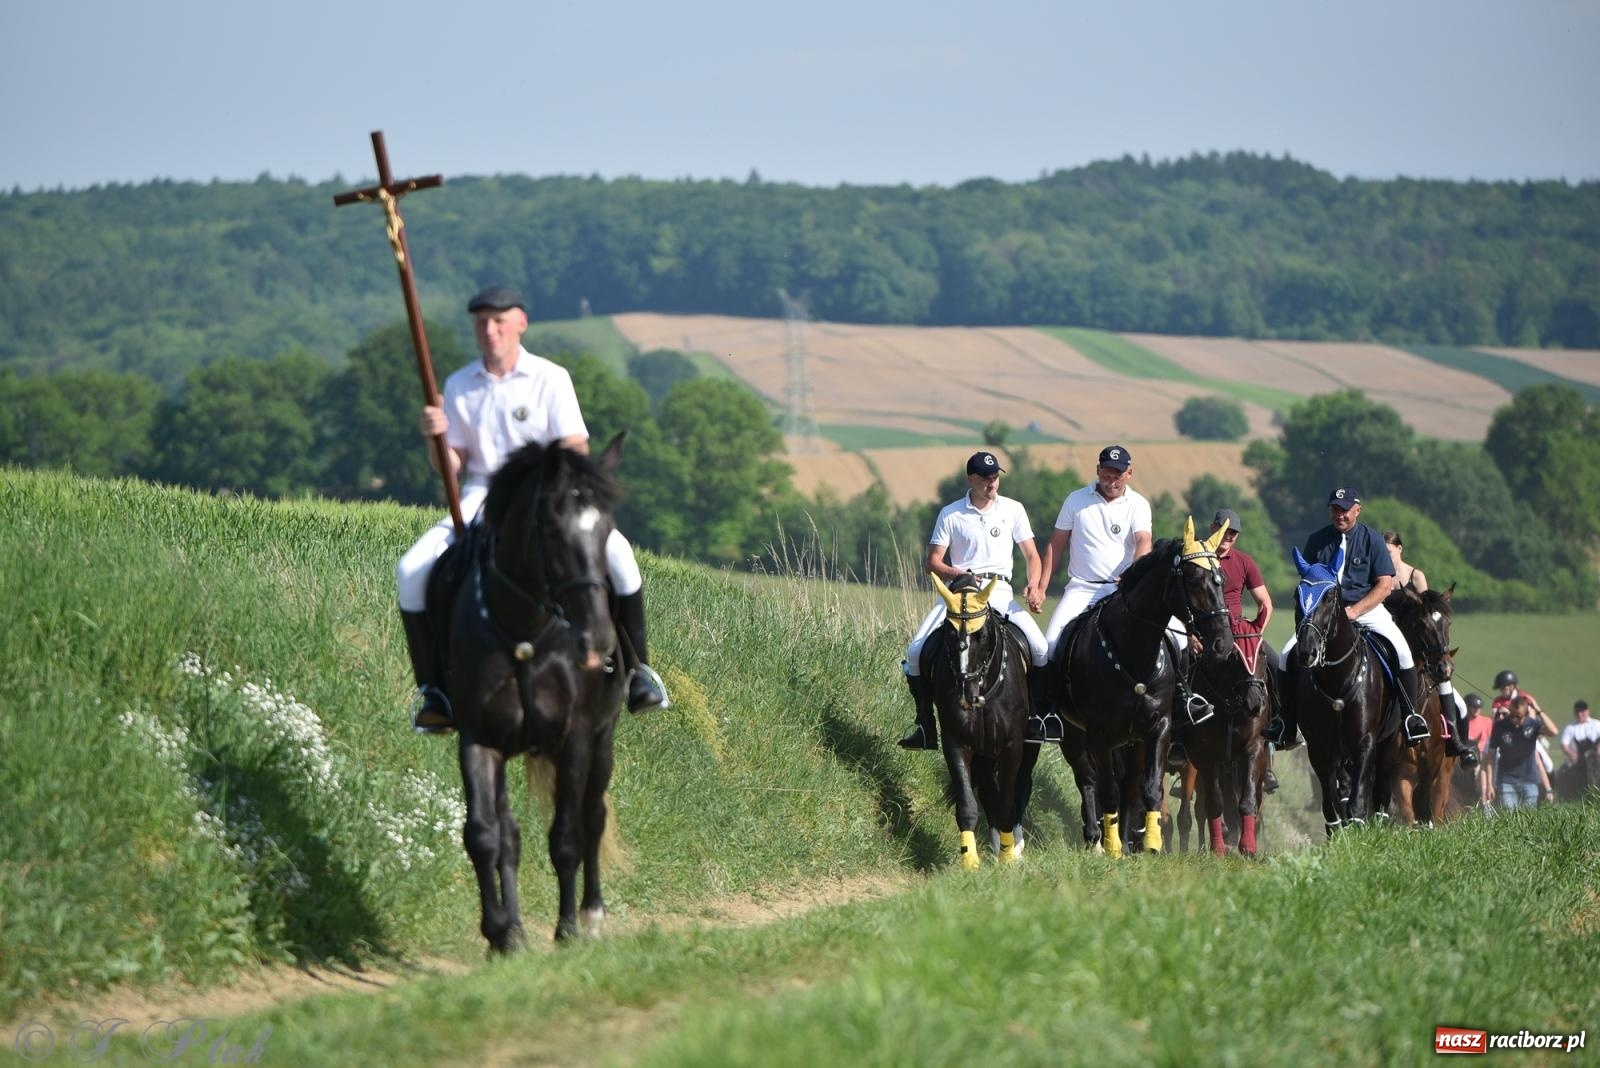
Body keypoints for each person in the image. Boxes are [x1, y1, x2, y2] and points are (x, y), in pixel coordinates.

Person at [395, 285, 670, 733]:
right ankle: (435, 690)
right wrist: (436, 437)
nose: (490, 330)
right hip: (483, 494)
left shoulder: (550, 378)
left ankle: (639, 671)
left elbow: (575, 445)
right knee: (411, 569)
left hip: (547, 494)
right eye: (482, 322)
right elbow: (452, 466)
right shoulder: (460, 383)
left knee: (619, 556)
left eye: (499, 321)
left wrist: (554, 487)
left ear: (520, 323)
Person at [897, 450, 1048, 750]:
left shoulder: (1013, 509)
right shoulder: (951, 513)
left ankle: (1040, 718)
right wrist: (959, 573)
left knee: (1041, 648)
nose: (992, 484)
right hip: (960, 593)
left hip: (999, 591)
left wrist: (1034, 584)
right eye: (985, 479)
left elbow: (1032, 555)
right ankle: (926, 725)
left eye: (995, 478)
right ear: (970, 479)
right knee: (915, 651)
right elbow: (933, 561)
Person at [1270, 487, 1427, 750]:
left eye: (1344, 509)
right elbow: (1308, 582)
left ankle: (1411, 717)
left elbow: (1384, 586)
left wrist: (1353, 612)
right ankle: (1285, 722)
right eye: (1335, 509)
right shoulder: (1317, 540)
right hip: (1324, 615)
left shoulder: (1373, 540)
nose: (1339, 514)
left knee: (1403, 653)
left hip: (1366, 610)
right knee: (1287, 655)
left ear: (1357, 509)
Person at [1032, 444, 1154, 743]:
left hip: (1122, 590)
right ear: (1098, 470)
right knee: (1050, 645)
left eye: (1118, 474)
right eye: (1107, 472)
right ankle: (1047, 714)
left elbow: (1143, 542)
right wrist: (1041, 586)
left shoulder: (1138, 504)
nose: (1112, 479)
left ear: (1129, 473)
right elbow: (1057, 544)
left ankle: (1177, 704)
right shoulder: (1076, 500)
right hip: (1081, 588)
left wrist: (1133, 575)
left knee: (1173, 638)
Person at [1170, 508, 1275, 776]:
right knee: (1176, 667)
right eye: (1222, 529)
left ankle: (1278, 732)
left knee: (1276, 664)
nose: (1226, 536)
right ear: (1212, 527)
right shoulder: (1194, 556)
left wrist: (1255, 633)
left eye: (1232, 533)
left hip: (1239, 634)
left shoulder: (1245, 562)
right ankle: (1177, 740)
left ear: (1237, 536)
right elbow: (1177, 601)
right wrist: (1189, 634)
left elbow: (1265, 603)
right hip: (1201, 632)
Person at [1381, 530, 1477, 765]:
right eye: (1381, 553)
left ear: (1399, 549)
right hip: (1385, 637)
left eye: (1389, 552)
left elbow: (1427, 613)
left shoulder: (1415, 575)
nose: (1385, 556)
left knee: (1453, 693)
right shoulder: (1378, 576)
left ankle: (1456, 741)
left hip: (1415, 640)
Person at [1488, 694, 1558, 808]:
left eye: (1518, 716)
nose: (1514, 719)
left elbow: (1553, 732)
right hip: (1506, 781)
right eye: (1512, 715)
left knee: (1528, 819)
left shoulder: (1533, 724)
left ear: (1526, 715)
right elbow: (1491, 756)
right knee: (1509, 819)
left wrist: (1539, 711)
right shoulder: (1500, 726)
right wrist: (1490, 783)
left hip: (1529, 781)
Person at [1490, 670, 1555, 785]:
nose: (1500, 691)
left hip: (1528, 734)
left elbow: (1532, 717)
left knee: (1548, 763)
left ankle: (1550, 789)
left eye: (1502, 688)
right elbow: (1496, 719)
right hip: (1507, 735)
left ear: (1511, 686)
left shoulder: (1525, 698)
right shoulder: (1497, 702)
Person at [1464, 693, 1494, 811]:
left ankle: (1486, 799)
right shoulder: (1464, 722)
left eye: (1478, 707)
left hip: (1485, 754)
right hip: (1470, 754)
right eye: (1473, 707)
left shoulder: (1487, 721)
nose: (1477, 710)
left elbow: (1492, 739)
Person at [1560, 699, 1599, 765]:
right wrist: (1571, 754)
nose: (1579, 714)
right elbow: (1564, 744)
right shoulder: (1570, 727)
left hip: (1595, 759)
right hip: (1577, 760)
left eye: (1582, 712)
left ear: (1587, 711)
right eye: (1577, 712)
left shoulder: (1597, 724)